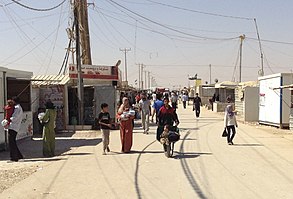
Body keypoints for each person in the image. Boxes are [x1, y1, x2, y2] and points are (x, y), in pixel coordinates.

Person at [7, 96, 24, 162]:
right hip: (14, 126)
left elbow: (14, 117)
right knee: (13, 142)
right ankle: (19, 155)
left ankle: (14, 157)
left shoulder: (17, 108)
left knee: (11, 142)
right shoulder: (18, 108)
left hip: (13, 126)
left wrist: (8, 120)